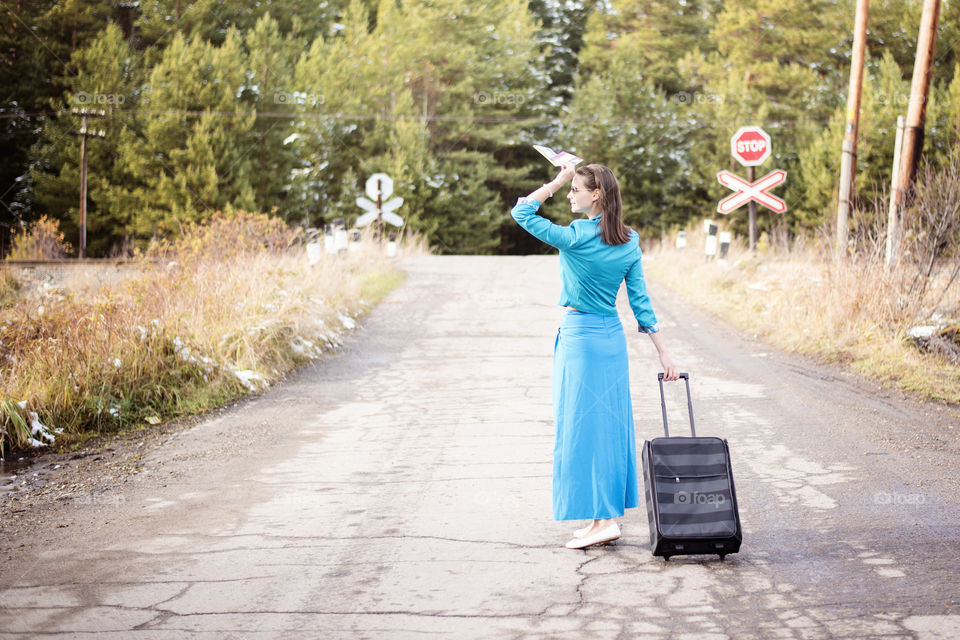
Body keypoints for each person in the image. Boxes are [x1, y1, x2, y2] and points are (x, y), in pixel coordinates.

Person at [511, 162, 680, 550]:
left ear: (596, 194)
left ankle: (604, 521)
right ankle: (600, 519)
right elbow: (640, 301)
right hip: (611, 341)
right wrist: (664, 353)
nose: (570, 195)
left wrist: (555, 181)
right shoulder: (629, 240)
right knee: (606, 430)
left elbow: (522, 212)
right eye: (569, 188)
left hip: (581, 340)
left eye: (575, 189)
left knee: (582, 431)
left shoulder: (576, 235)